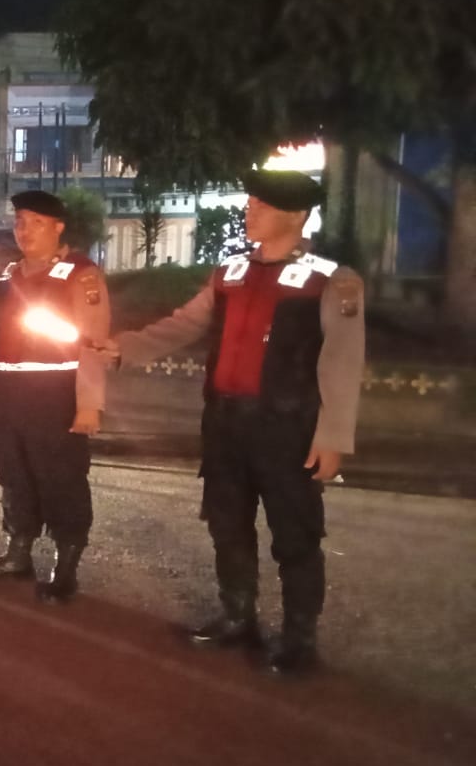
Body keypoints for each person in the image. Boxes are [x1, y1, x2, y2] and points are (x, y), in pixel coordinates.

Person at [102, 170, 364, 675]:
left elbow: (342, 361)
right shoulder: (231, 273)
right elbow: (184, 324)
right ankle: (237, 615)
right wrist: (122, 348)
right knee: (227, 524)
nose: (249, 211)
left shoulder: (330, 279)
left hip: (287, 428)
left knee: (295, 534)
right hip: (225, 424)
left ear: (295, 215)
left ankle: (299, 638)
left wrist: (333, 437)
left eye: (261, 205)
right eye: (251, 203)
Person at [0, 190, 110, 603]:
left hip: (54, 392)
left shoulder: (82, 274)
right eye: (20, 221)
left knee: (61, 478)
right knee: (13, 474)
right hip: (8, 392)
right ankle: (17, 553)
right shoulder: (9, 275)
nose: (24, 230)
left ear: (58, 228)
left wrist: (89, 403)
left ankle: (66, 565)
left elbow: (93, 342)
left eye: (36, 223)